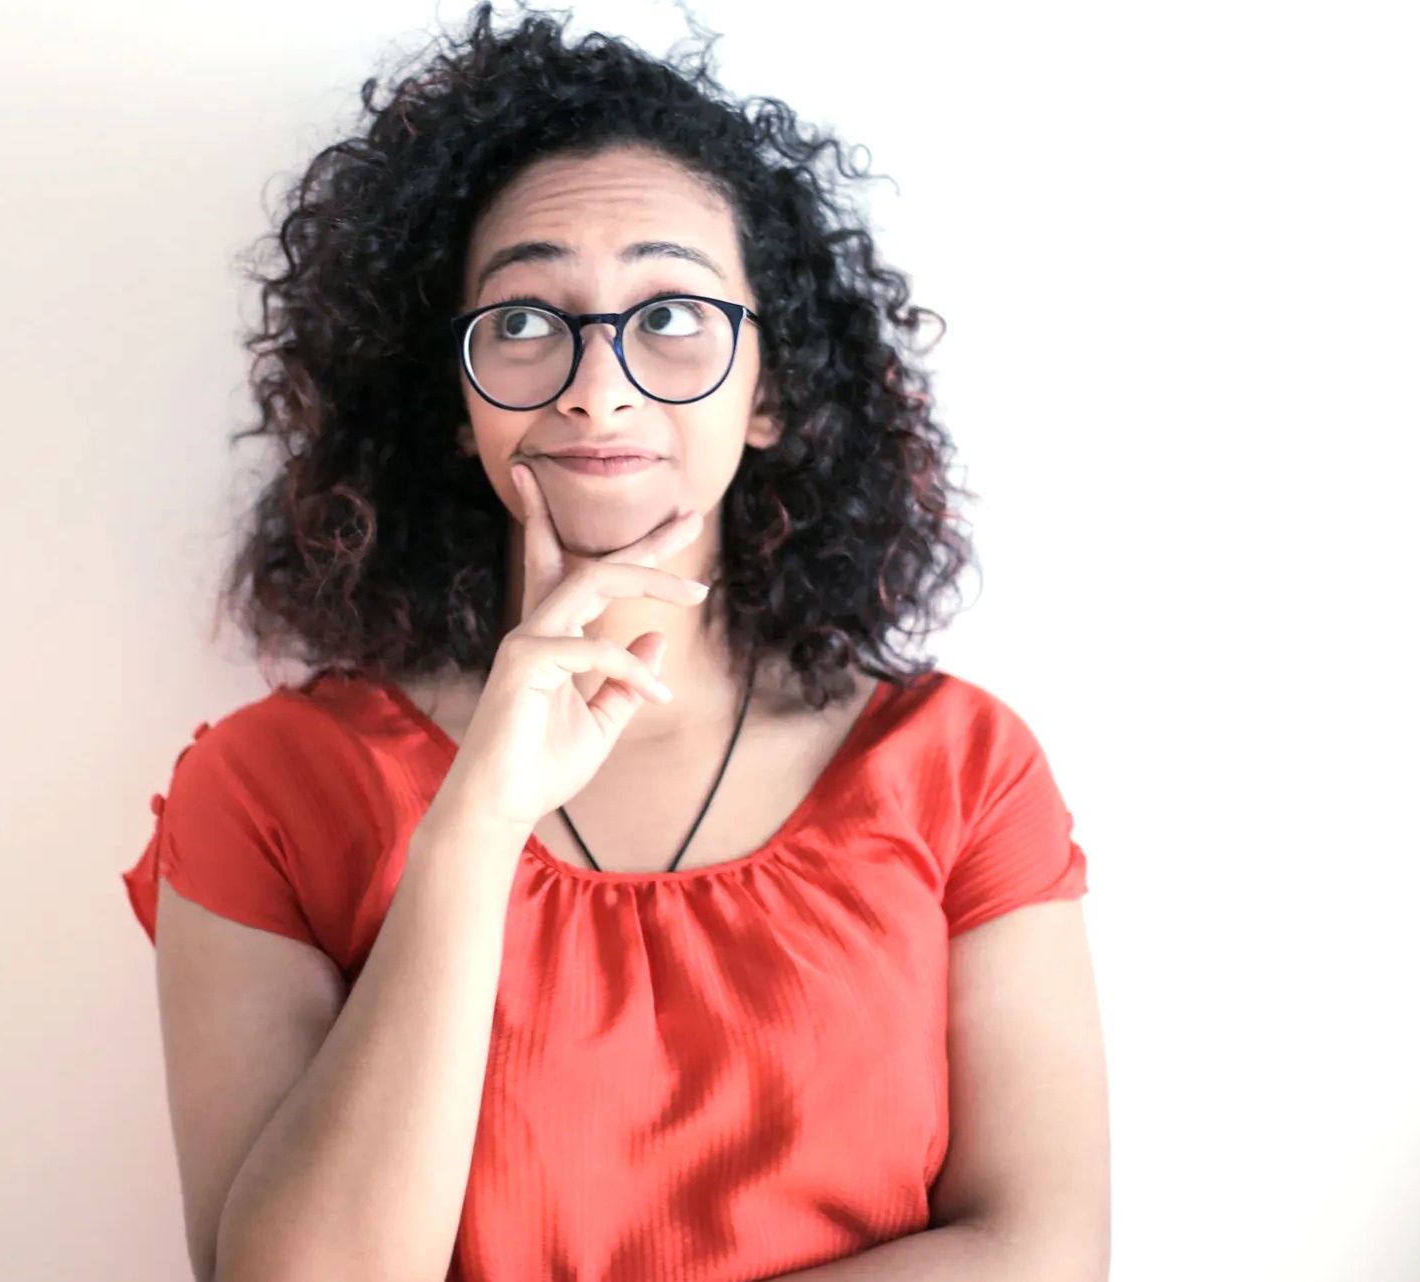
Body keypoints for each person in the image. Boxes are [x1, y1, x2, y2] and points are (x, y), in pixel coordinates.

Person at [119, 4, 1109, 1280]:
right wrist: (477, 819)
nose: (599, 385)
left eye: (671, 315)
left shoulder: (960, 767)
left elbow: (1042, 1251)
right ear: (453, 398)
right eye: (525, 321)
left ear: (772, 393)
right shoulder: (266, 794)